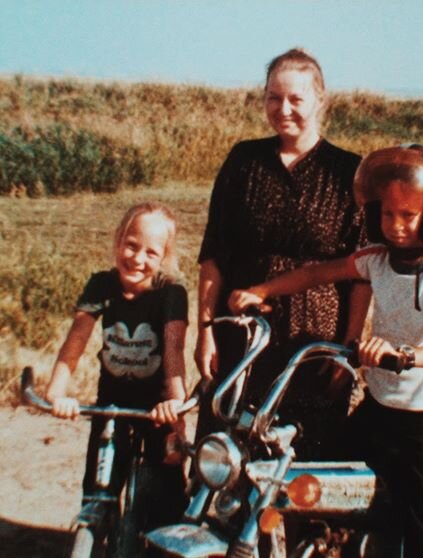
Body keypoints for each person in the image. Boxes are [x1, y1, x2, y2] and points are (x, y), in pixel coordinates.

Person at [229, 144, 423, 558]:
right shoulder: (376, 259)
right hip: (380, 408)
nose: (396, 226)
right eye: (387, 214)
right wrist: (261, 291)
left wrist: (407, 355)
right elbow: (317, 272)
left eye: (409, 216)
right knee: (325, 483)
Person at [194, 48, 368, 460]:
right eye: (274, 97)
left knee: (302, 469)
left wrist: (349, 345)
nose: (283, 108)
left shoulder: (349, 171)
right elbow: (212, 255)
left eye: (296, 99)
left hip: (313, 345)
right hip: (240, 334)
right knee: (224, 457)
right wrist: (205, 331)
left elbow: (362, 272)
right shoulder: (244, 161)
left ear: (320, 100)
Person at [46, 202, 188, 530]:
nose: (137, 259)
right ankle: (95, 534)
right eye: (131, 245)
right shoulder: (101, 285)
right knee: (99, 490)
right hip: (111, 406)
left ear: (164, 257)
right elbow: (75, 341)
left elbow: (173, 350)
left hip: (157, 407)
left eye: (151, 253)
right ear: (118, 240)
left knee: (166, 502)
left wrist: (176, 404)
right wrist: (56, 393)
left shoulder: (171, 294)